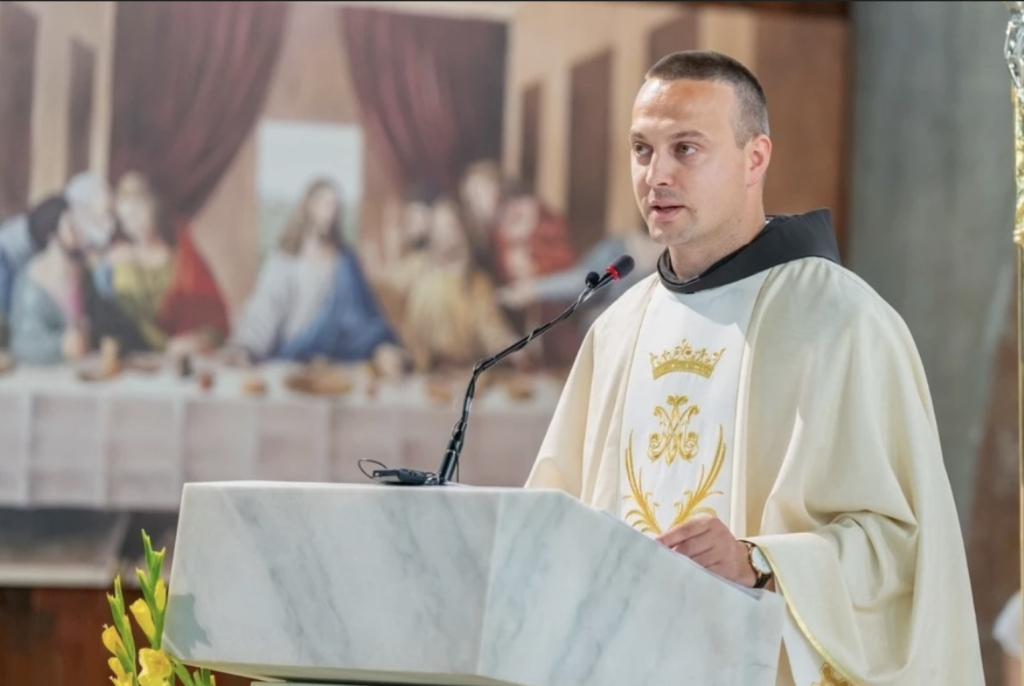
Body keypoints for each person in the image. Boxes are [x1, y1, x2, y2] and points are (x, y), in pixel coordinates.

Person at [524, 50, 983, 685]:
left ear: (755, 158)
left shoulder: (841, 322)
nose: (656, 175)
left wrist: (759, 562)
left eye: (685, 149)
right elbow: (549, 525)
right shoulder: (618, 330)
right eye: (642, 150)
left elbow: (903, 555)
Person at [227, 179, 404, 375]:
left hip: (338, 371)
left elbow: (363, 319)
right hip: (290, 366)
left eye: (335, 206)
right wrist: (246, 348)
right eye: (324, 204)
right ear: (308, 207)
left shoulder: (346, 263)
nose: (330, 212)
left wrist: (382, 349)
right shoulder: (285, 260)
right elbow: (264, 311)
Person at [8, 195, 88, 365]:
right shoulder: (30, 280)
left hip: (82, 367)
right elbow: (23, 341)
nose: (78, 230)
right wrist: (61, 345)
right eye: (71, 224)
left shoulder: (82, 272)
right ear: (52, 231)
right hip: (43, 372)